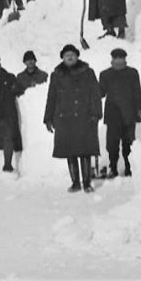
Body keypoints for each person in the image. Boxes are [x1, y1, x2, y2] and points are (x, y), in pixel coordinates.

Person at [43, 44, 102, 193]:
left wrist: (96, 113)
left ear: (77, 56)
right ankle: (75, 182)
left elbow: (95, 95)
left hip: (85, 117)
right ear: (62, 58)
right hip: (64, 118)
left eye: (72, 54)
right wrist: (48, 118)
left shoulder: (88, 72)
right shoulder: (56, 75)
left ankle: (87, 183)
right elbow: (51, 97)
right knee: (70, 151)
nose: (69, 57)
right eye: (66, 55)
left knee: (85, 150)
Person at [99, 48, 141, 178]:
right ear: (112, 59)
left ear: (125, 59)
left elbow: (137, 92)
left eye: (121, 58)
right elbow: (100, 92)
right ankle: (113, 167)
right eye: (116, 58)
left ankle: (129, 168)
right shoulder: (105, 74)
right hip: (113, 114)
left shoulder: (132, 73)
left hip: (129, 114)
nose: (118, 61)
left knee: (128, 143)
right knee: (112, 144)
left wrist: (140, 109)